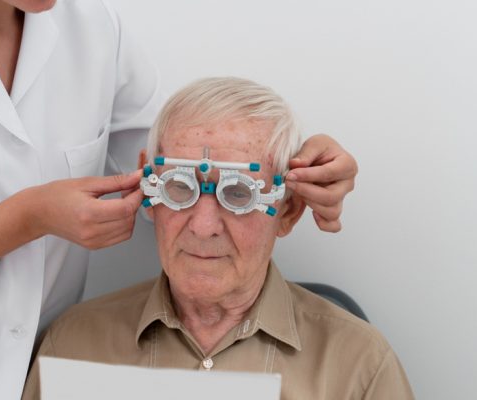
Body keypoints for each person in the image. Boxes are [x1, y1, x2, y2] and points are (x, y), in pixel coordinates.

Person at [0, 0, 358, 398]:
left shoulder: (91, 24)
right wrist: (26, 218)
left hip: (38, 376)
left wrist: (296, 163)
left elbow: (175, 159)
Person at [22, 77, 412, 400]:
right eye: (179, 187)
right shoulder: (73, 346)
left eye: (238, 193)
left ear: (288, 210)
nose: (203, 226)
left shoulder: (359, 366)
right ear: (149, 191)